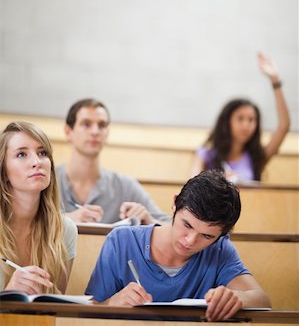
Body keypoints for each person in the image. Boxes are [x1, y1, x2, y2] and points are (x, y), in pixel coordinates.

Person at [85, 170, 271, 321]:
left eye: (206, 235)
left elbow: (263, 300)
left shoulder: (220, 250)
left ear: (221, 235)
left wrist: (238, 298)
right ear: (174, 204)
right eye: (187, 225)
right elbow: (84, 315)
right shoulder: (121, 241)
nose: (190, 241)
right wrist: (111, 303)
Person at [56, 98, 170, 224]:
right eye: (86, 124)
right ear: (68, 132)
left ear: (107, 133)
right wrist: (65, 220)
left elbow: (170, 227)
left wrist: (149, 220)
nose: (95, 131)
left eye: (101, 125)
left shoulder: (125, 186)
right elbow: (30, 222)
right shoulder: (47, 180)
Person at [0, 121, 77, 294]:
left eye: (42, 153)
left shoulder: (64, 230)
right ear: (4, 172)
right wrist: (8, 296)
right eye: (21, 154)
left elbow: (54, 310)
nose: (36, 162)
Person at [191, 52, 290, 182]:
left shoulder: (256, 157)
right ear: (227, 122)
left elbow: (284, 126)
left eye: (251, 120)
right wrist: (217, 182)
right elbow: (191, 189)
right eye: (240, 118)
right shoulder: (205, 155)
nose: (246, 125)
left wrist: (275, 80)